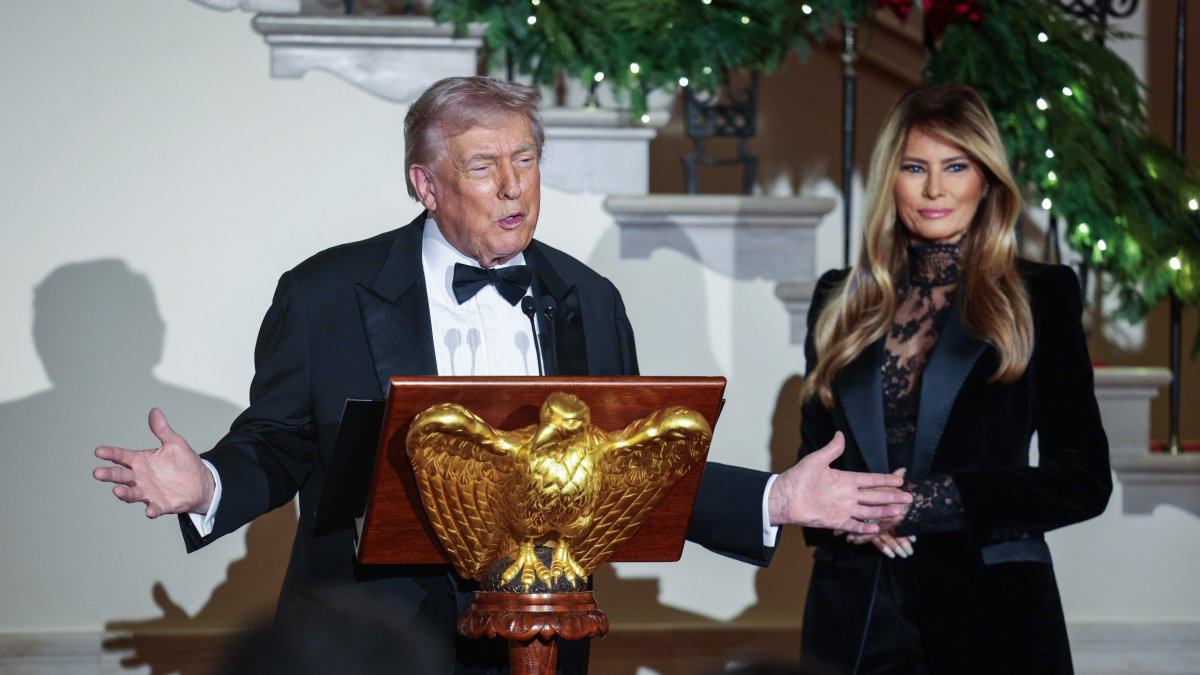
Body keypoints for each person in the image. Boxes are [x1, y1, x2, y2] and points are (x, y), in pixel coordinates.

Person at [93, 76, 911, 674]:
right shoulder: (325, 294)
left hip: (543, 638)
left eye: (526, 159)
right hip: (373, 639)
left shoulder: (589, 300)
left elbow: (627, 468)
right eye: (485, 166)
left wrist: (777, 497)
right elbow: (277, 441)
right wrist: (203, 482)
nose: (515, 186)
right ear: (425, 183)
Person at [796, 84, 1112, 674]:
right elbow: (814, 462)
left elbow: (1085, 478)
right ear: (891, 178)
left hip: (991, 613)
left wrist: (925, 504)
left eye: (955, 167)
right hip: (854, 613)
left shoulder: (1038, 296)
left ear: (987, 179)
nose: (934, 189)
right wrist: (858, 515)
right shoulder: (838, 301)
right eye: (915, 167)